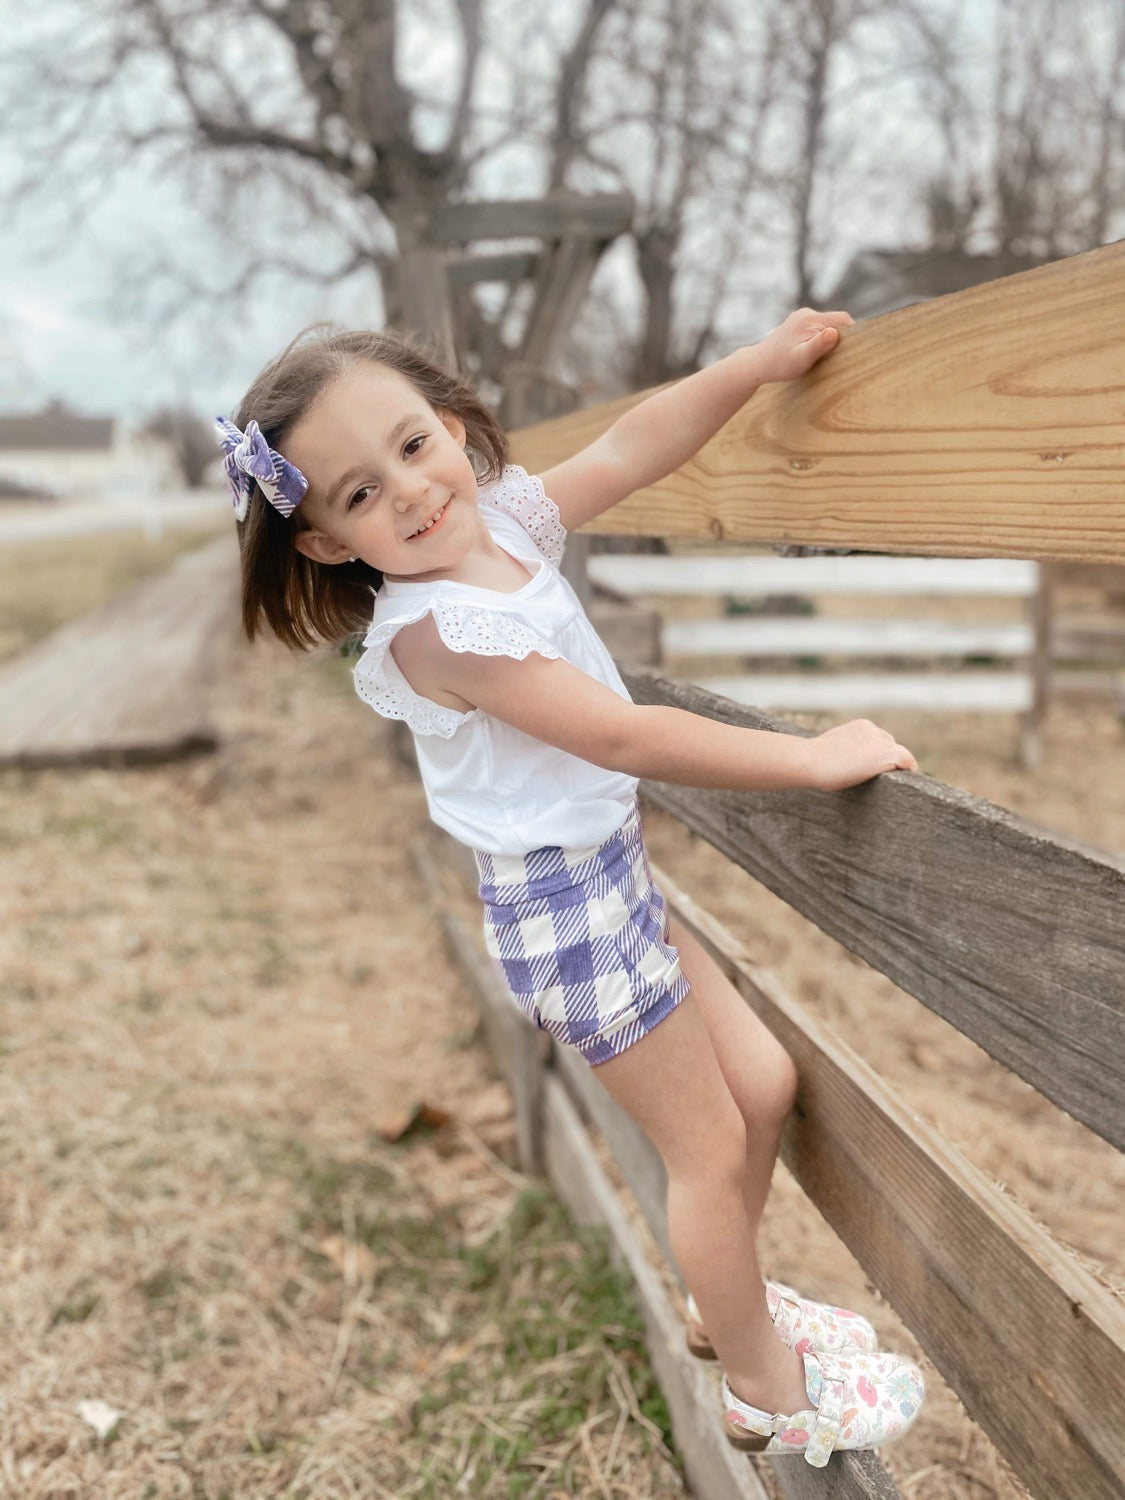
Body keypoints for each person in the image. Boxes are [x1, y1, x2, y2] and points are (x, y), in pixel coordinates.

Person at [216, 313, 925, 1469]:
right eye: (355, 495)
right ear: (324, 545)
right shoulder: (439, 630)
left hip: (610, 876)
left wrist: (754, 366)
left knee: (764, 1080)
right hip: (567, 916)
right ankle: (761, 1390)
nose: (405, 492)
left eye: (409, 446)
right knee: (703, 1150)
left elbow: (632, 449)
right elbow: (618, 733)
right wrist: (807, 758)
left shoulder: (498, 528)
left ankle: (723, 1297)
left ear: (450, 425)